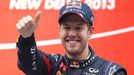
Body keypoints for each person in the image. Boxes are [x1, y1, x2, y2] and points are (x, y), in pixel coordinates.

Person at [16, 1, 127, 75]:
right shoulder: (52, 65)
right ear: (59, 31)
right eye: (67, 27)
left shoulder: (110, 71)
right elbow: (28, 64)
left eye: (78, 28)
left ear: (90, 32)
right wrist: (27, 38)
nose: (72, 33)